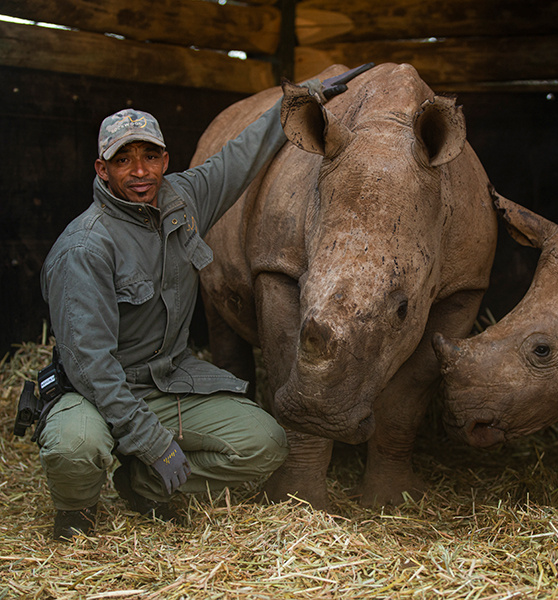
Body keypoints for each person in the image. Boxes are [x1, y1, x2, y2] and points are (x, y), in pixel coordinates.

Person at [38, 79, 337, 541]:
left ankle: (141, 485)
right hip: (93, 391)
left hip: (162, 383)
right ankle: (75, 512)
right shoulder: (86, 247)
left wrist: (303, 97)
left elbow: (243, 155)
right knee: (75, 447)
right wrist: (151, 441)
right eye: (123, 160)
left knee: (264, 443)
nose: (140, 171)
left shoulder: (185, 199)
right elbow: (92, 366)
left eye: (150, 156)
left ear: (165, 160)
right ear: (101, 168)